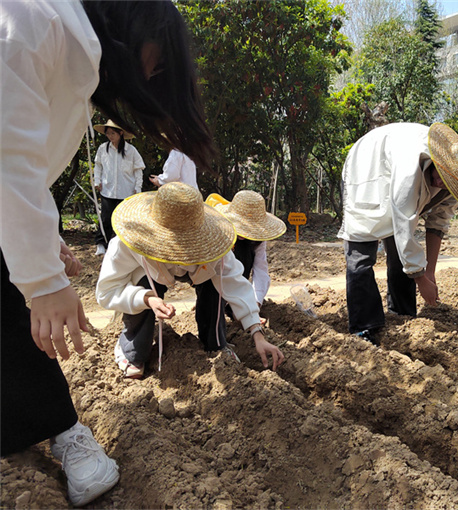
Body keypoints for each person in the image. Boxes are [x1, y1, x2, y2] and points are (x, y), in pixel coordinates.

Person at [1, 0, 214, 505]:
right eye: (157, 62)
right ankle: (61, 425)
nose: (152, 76)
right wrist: (46, 283)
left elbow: (22, 173)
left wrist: (42, 242)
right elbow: (9, 157)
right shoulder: (30, 21)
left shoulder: (77, 74)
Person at [96, 183, 284, 379]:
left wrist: (257, 333)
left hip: (200, 271)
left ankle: (215, 344)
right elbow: (107, 291)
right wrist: (146, 299)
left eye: (190, 243)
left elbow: (235, 284)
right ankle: (132, 349)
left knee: (216, 285)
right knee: (142, 283)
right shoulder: (126, 243)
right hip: (150, 275)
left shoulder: (216, 243)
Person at [337, 122, 458, 344]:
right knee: (360, 253)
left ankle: (403, 313)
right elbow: (404, 225)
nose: (441, 183)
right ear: (439, 161)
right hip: (368, 166)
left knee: (402, 256)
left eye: (449, 183)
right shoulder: (409, 168)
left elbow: (438, 224)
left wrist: (430, 272)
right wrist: (420, 279)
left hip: (395, 176)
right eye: (443, 175)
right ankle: (364, 326)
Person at [213, 190, 287, 315]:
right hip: (214, 277)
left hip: (239, 281)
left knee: (244, 256)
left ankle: (235, 306)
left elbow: (260, 271)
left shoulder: (257, 240)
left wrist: (255, 304)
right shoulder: (218, 231)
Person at [93, 119, 145, 255]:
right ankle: (101, 244)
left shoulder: (131, 150)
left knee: (124, 220)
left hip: (126, 190)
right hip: (107, 190)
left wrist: (138, 187)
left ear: (120, 133)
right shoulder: (103, 148)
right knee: (106, 218)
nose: (110, 136)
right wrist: (97, 181)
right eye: (108, 133)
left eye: (113, 133)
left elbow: (138, 169)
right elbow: (98, 166)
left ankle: (122, 247)